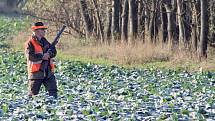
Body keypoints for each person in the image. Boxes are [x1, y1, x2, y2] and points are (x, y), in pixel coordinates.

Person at [25, 22, 58, 98]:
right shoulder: (30, 43)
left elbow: (54, 51)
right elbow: (30, 56)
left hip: (48, 72)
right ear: (36, 31)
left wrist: (49, 54)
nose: (44, 31)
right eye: (42, 29)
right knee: (33, 95)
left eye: (44, 29)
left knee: (53, 93)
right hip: (36, 73)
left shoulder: (45, 41)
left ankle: (53, 108)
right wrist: (42, 56)